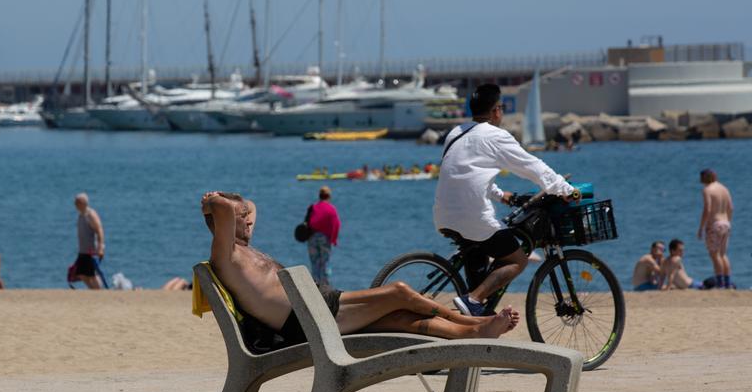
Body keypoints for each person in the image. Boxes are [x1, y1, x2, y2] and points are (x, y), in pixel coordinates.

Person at [201, 191, 519, 345]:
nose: (249, 219)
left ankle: (472, 333)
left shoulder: (243, 248)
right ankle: (471, 320)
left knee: (401, 319)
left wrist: (237, 204)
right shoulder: (226, 254)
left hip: (315, 309)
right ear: (224, 223)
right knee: (400, 292)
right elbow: (222, 209)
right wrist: (214, 202)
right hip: (308, 318)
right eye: (242, 218)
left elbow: (250, 204)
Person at [434, 83, 579, 316]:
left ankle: (476, 315)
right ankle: (473, 299)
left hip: (442, 214)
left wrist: (501, 196)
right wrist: (566, 189)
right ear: (496, 111)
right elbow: (532, 166)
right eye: (500, 107)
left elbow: (466, 174)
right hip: (472, 217)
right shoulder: (495, 135)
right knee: (517, 260)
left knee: (479, 254)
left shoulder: (455, 133)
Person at [697, 169, 734, 289]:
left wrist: (701, 227)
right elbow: (731, 208)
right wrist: (728, 221)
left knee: (714, 255)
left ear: (705, 178)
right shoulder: (724, 188)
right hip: (725, 223)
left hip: (714, 224)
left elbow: (707, 209)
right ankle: (728, 283)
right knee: (723, 254)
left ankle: (720, 284)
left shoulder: (707, 190)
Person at [306, 186, 341, 285]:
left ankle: (315, 284)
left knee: (314, 263)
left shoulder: (313, 207)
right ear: (329, 196)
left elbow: (308, 222)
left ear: (319, 196)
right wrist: (333, 240)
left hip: (312, 238)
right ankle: (325, 285)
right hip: (325, 239)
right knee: (324, 263)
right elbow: (336, 224)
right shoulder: (331, 209)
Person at [74, 193, 106, 289]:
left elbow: (99, 230)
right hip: (83, 250)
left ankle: (99, 292)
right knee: (81, 274)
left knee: (92, 274)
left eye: (77, 202)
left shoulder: (90, 214)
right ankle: (93, 291)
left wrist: (100, 247)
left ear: (82, 203)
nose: (75, 204)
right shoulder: (81, 214)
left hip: (91, 251)